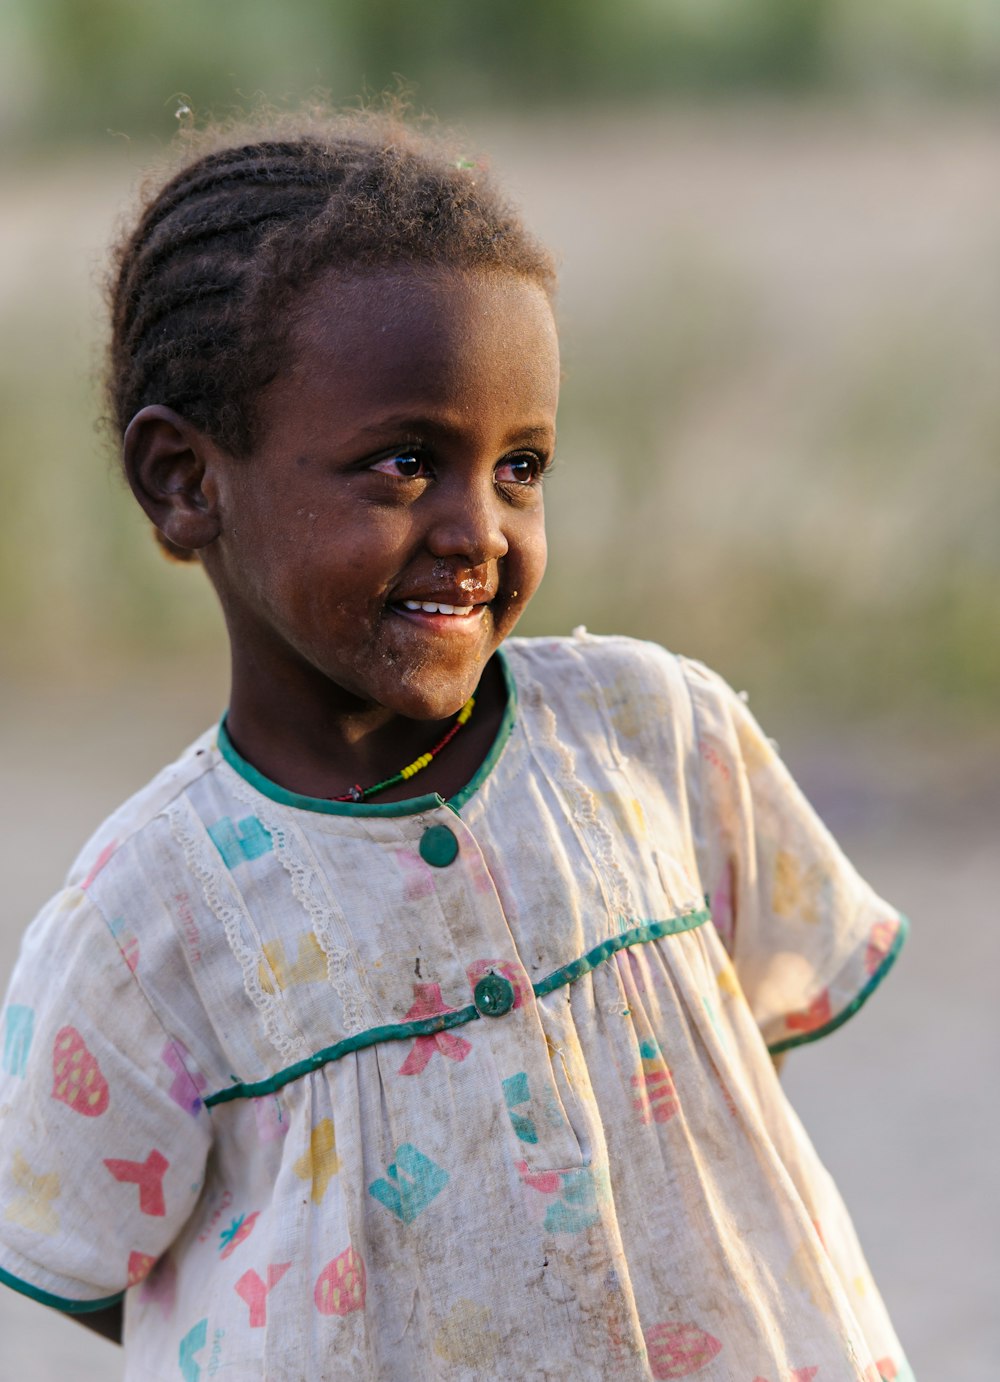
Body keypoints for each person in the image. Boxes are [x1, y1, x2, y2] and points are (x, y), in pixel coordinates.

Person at [0, 107, 913, 1381]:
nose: (478, 527)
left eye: (521, 465)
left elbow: (730, 1068)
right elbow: (76, 1254)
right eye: (404, 462)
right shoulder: (145, 923)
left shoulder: (652, 733)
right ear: (184, 480)